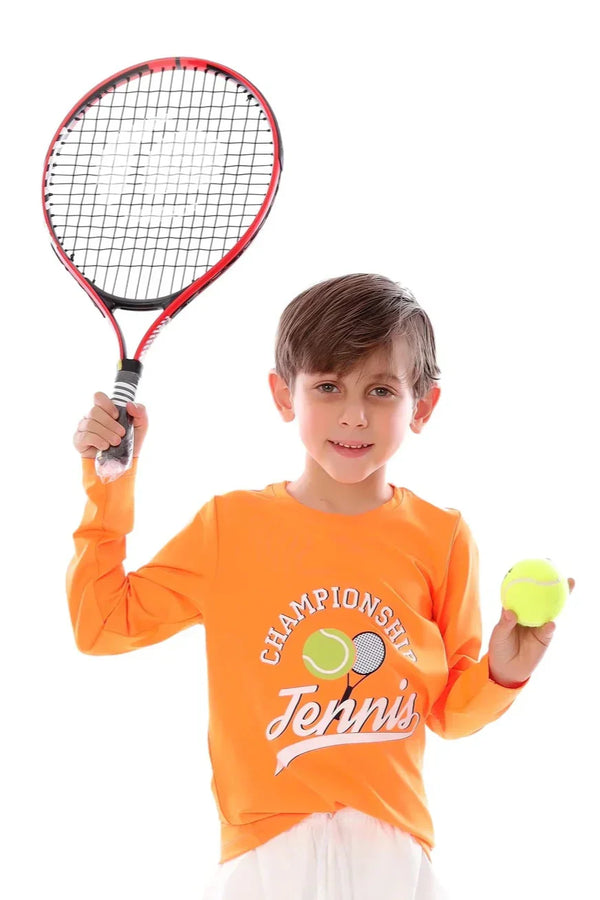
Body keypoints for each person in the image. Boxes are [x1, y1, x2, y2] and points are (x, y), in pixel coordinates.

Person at [68, 273, 574, 900]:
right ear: (285, 395)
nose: (354, 415)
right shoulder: (232, 526)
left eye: (381, 390)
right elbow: (101, 623)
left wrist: (503, 673)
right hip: (264, 856)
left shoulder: (442, 537)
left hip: (393, 857)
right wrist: (109, 487)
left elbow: (446, 711)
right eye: (328, 386)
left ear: (423, 405)